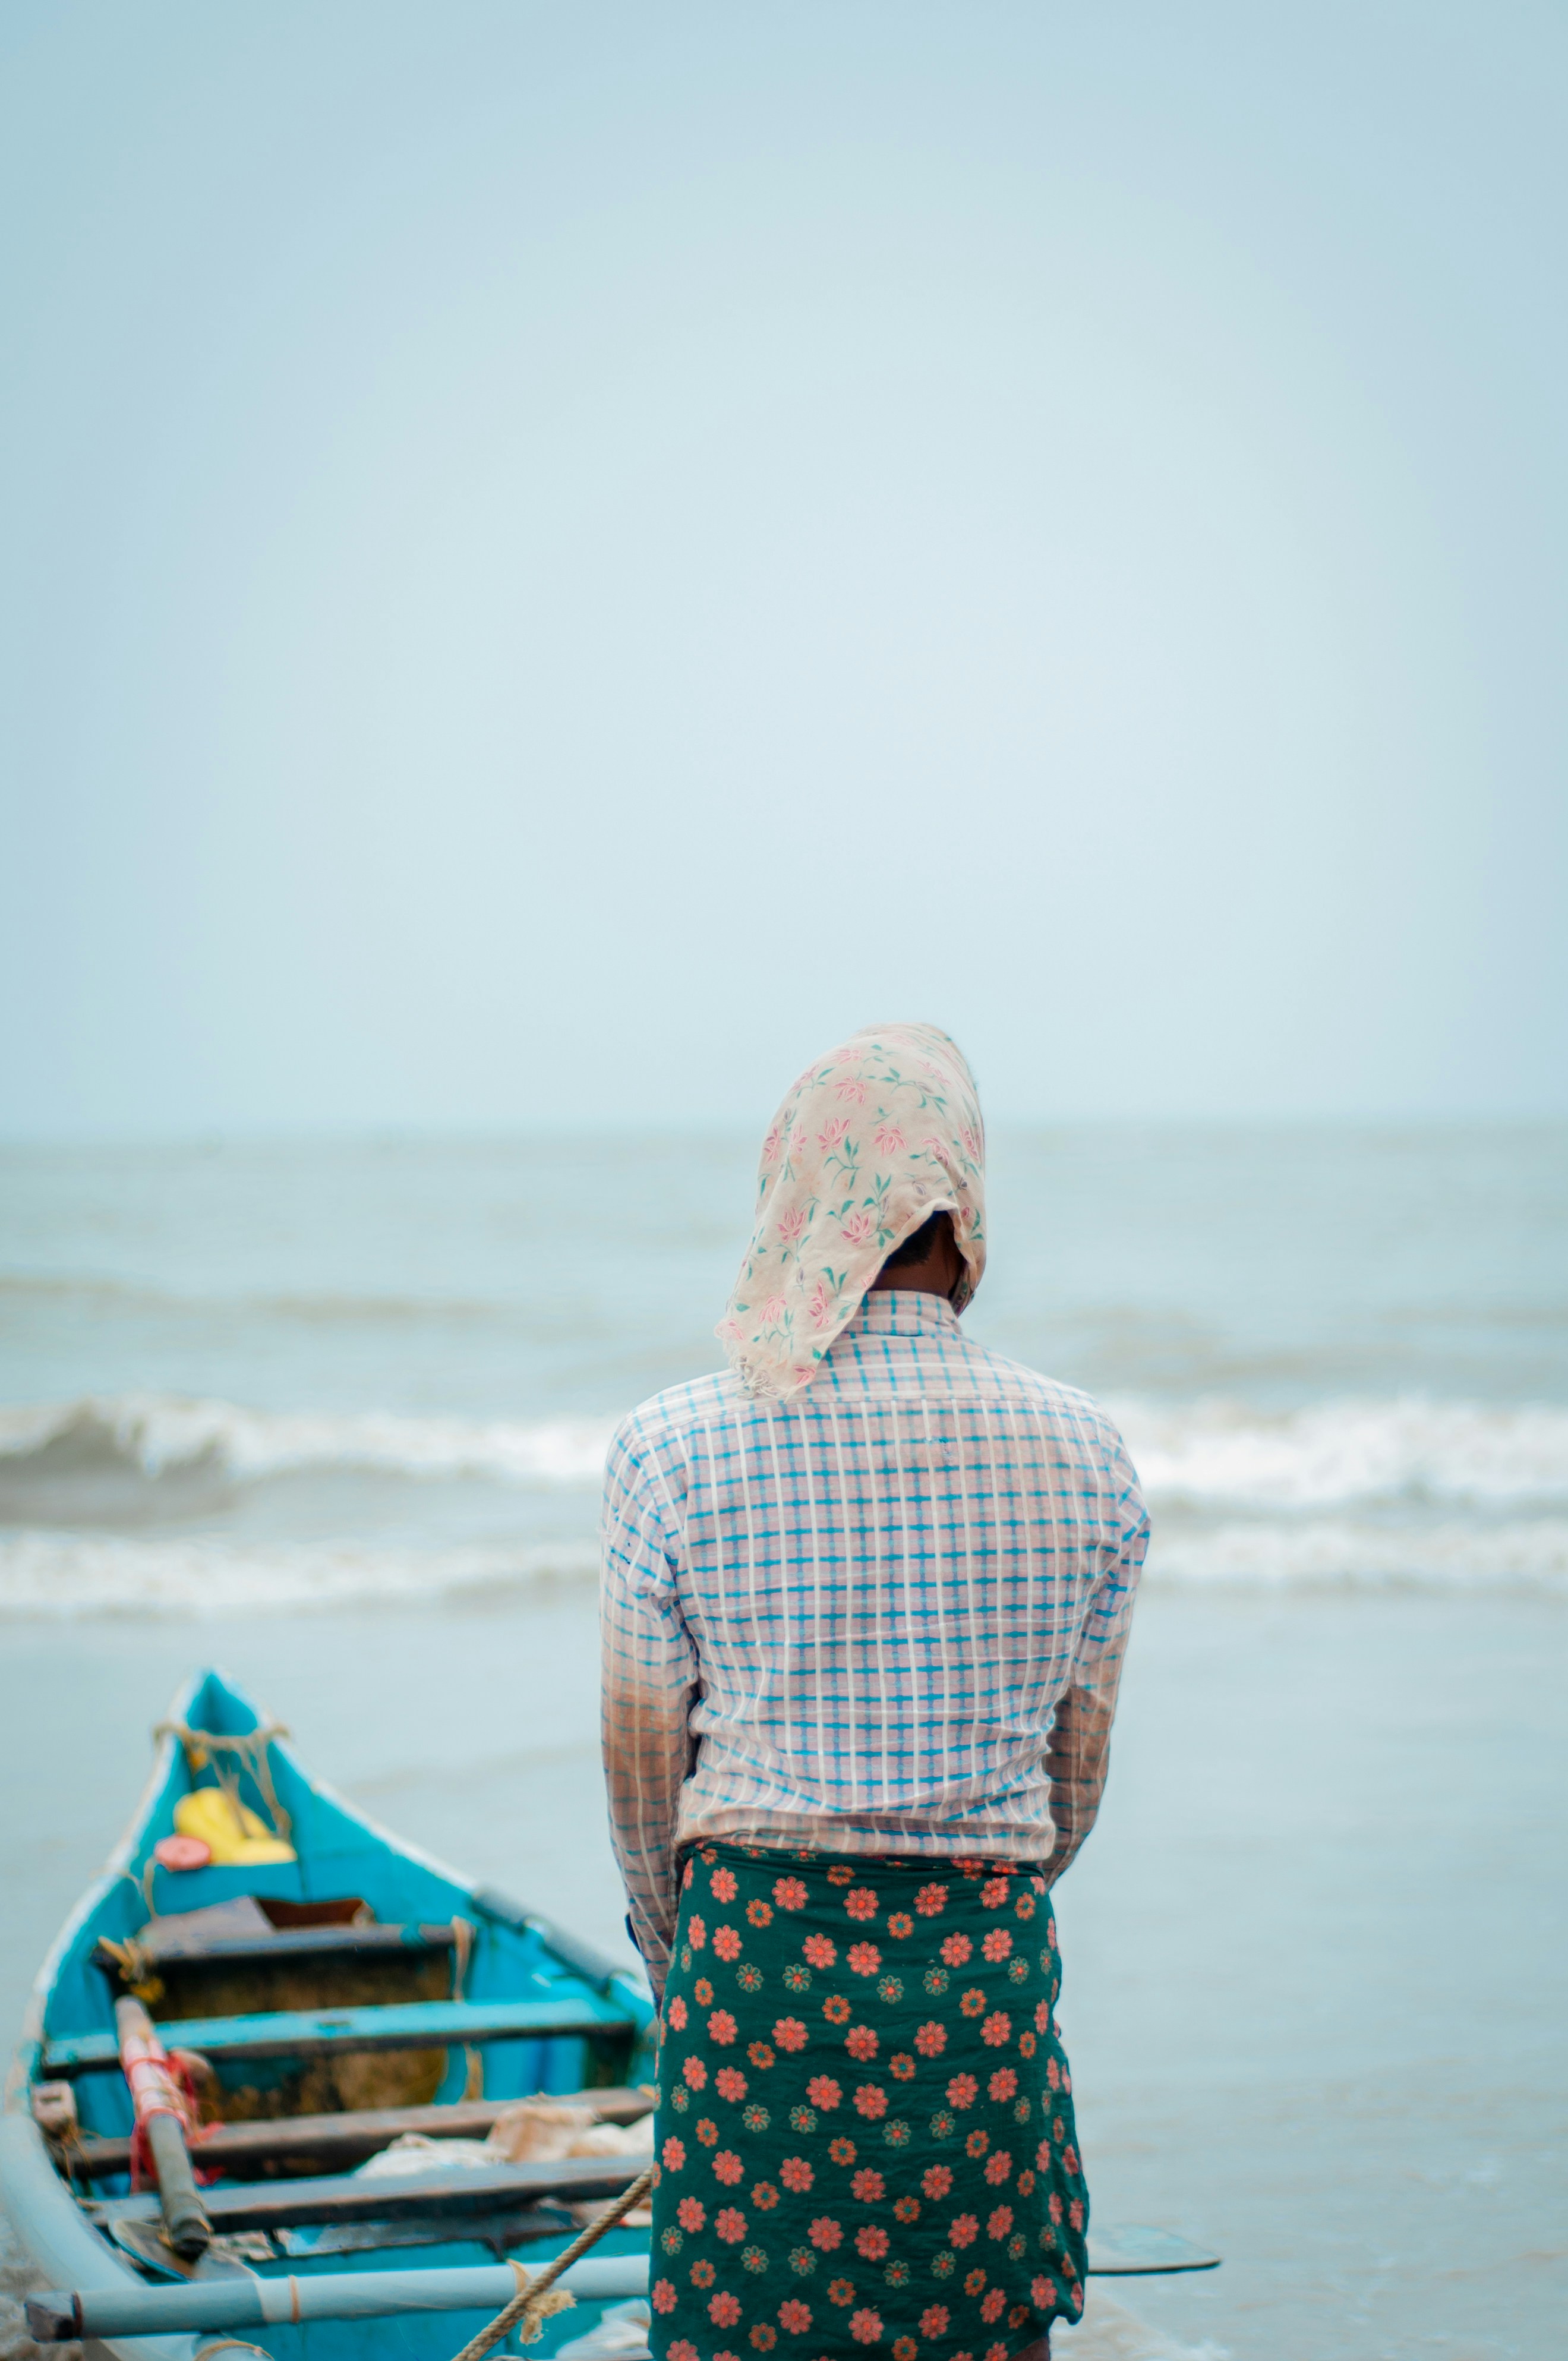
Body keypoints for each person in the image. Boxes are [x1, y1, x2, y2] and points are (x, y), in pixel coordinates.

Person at [600, 1023, 1148, 2361]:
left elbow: (638, 1763)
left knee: (750, 2333)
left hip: (755, 1965)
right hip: (982, 1970)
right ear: (964, 1212)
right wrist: (976, 1888)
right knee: (973, 2330)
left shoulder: (672, 1445)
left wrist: (682, 1943)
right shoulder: (1088, 1451)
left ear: (794, 1200)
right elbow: (1075, 1776)